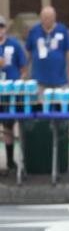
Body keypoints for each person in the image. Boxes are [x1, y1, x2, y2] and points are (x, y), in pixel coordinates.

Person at [0, 15, 27, 174]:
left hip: (10, 92)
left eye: (1, 27)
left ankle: (10, 160)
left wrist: (19, 83)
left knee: (8, 126)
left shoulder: (14, 45)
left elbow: (23, 68)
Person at [25, 6, 69, 89]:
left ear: (54, 17)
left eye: (50, 17)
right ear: (41, 18)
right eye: (45, 18)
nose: (47, 20)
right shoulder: (34, 31)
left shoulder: (62, 30)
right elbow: (27, 51)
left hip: (59, 79)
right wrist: (24, 68)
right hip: (39, 79)